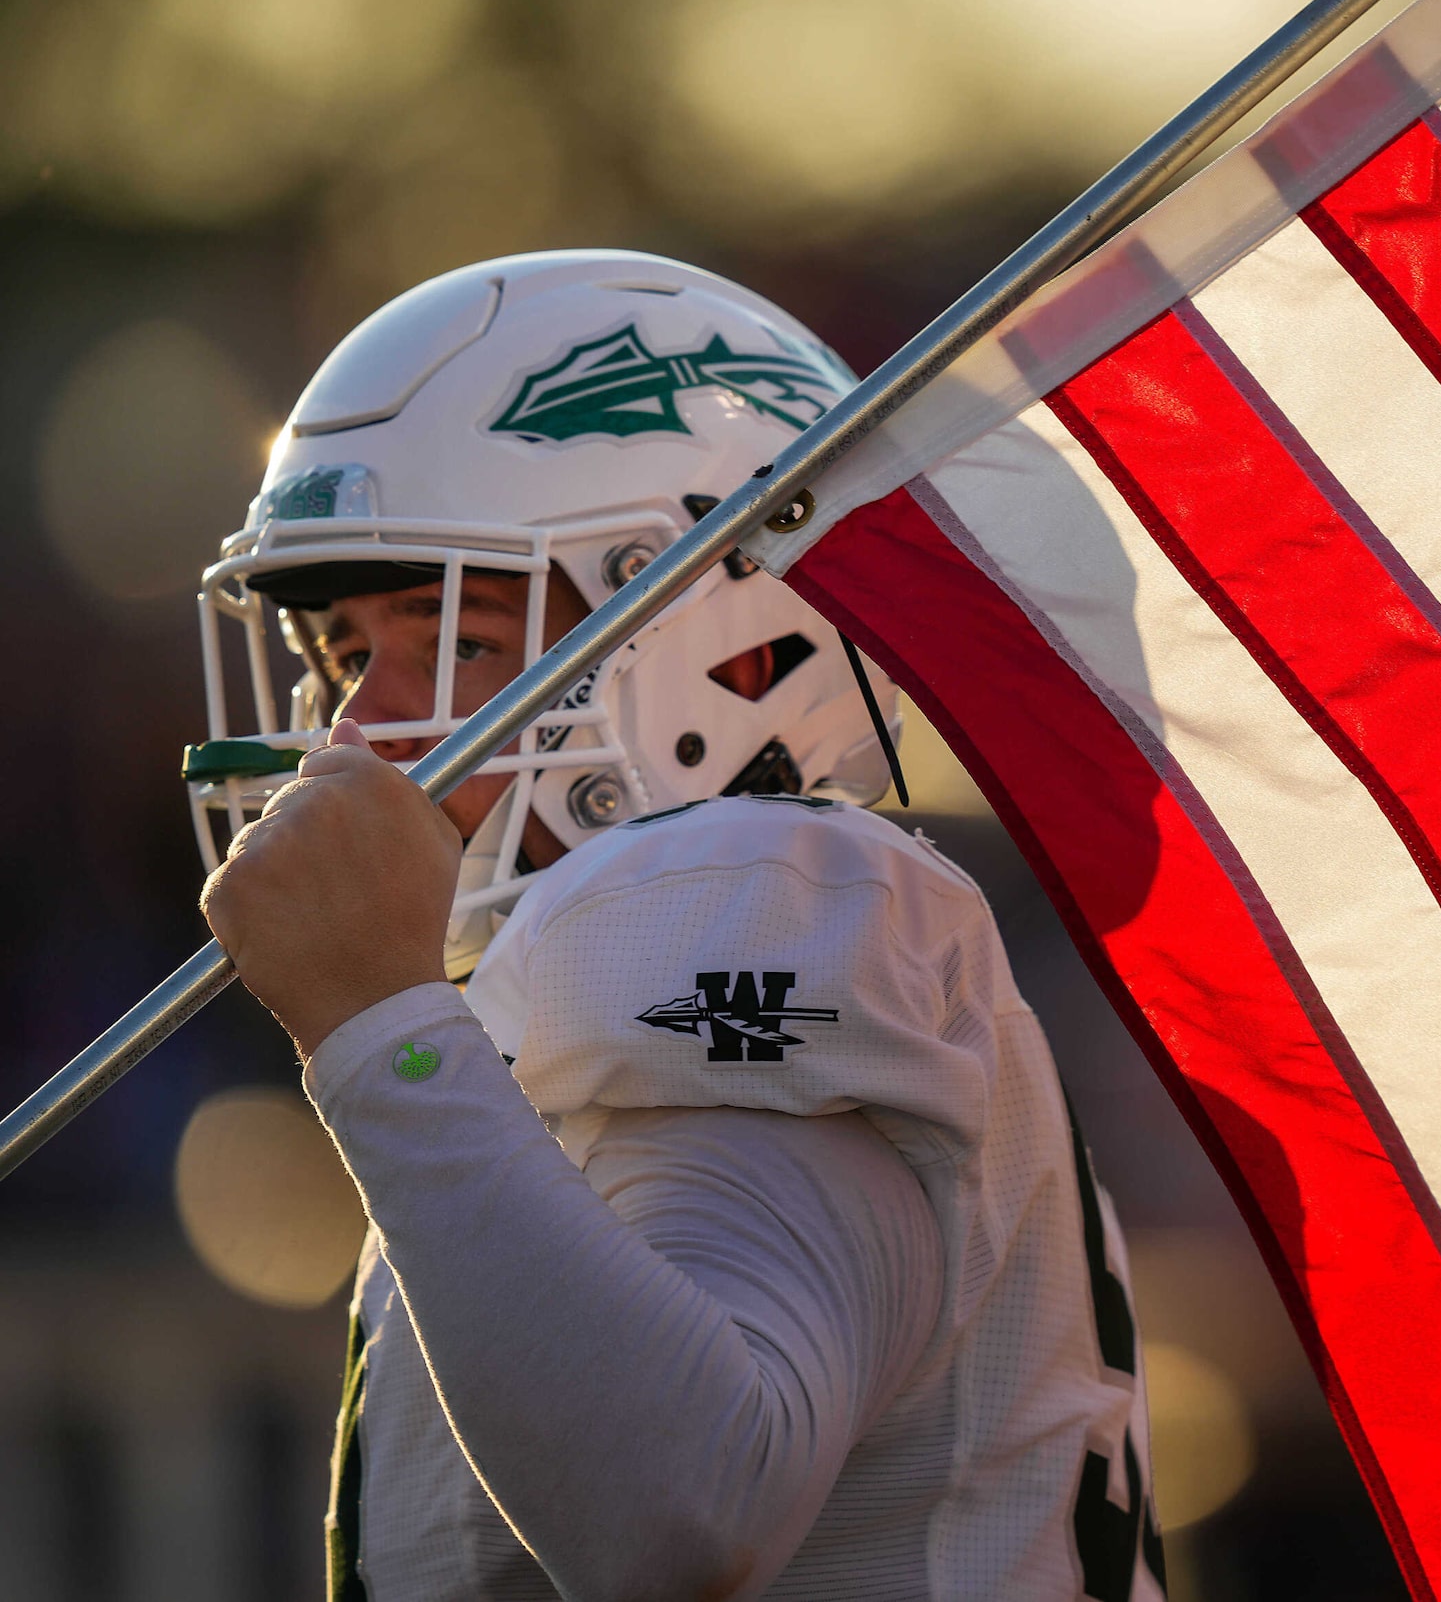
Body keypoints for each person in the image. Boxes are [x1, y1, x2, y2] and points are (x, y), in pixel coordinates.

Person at [191, 250, 1166, 1601]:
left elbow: (686, 1505)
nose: (356, 733)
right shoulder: (616, 962)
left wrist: (382, 1034)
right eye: (351, 656)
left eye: (461, 641)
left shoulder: (748, 881)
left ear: (736, 647)